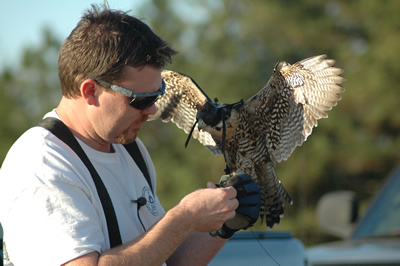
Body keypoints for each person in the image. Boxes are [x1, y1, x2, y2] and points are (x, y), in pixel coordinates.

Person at [0, 4, 259, 265]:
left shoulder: (128, 148)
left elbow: (164, 258)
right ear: (90, 91)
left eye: (158, 95)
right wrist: (184, 217)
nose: (153, 109)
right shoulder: (43, 165)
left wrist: (226, 221)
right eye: (140, 100)